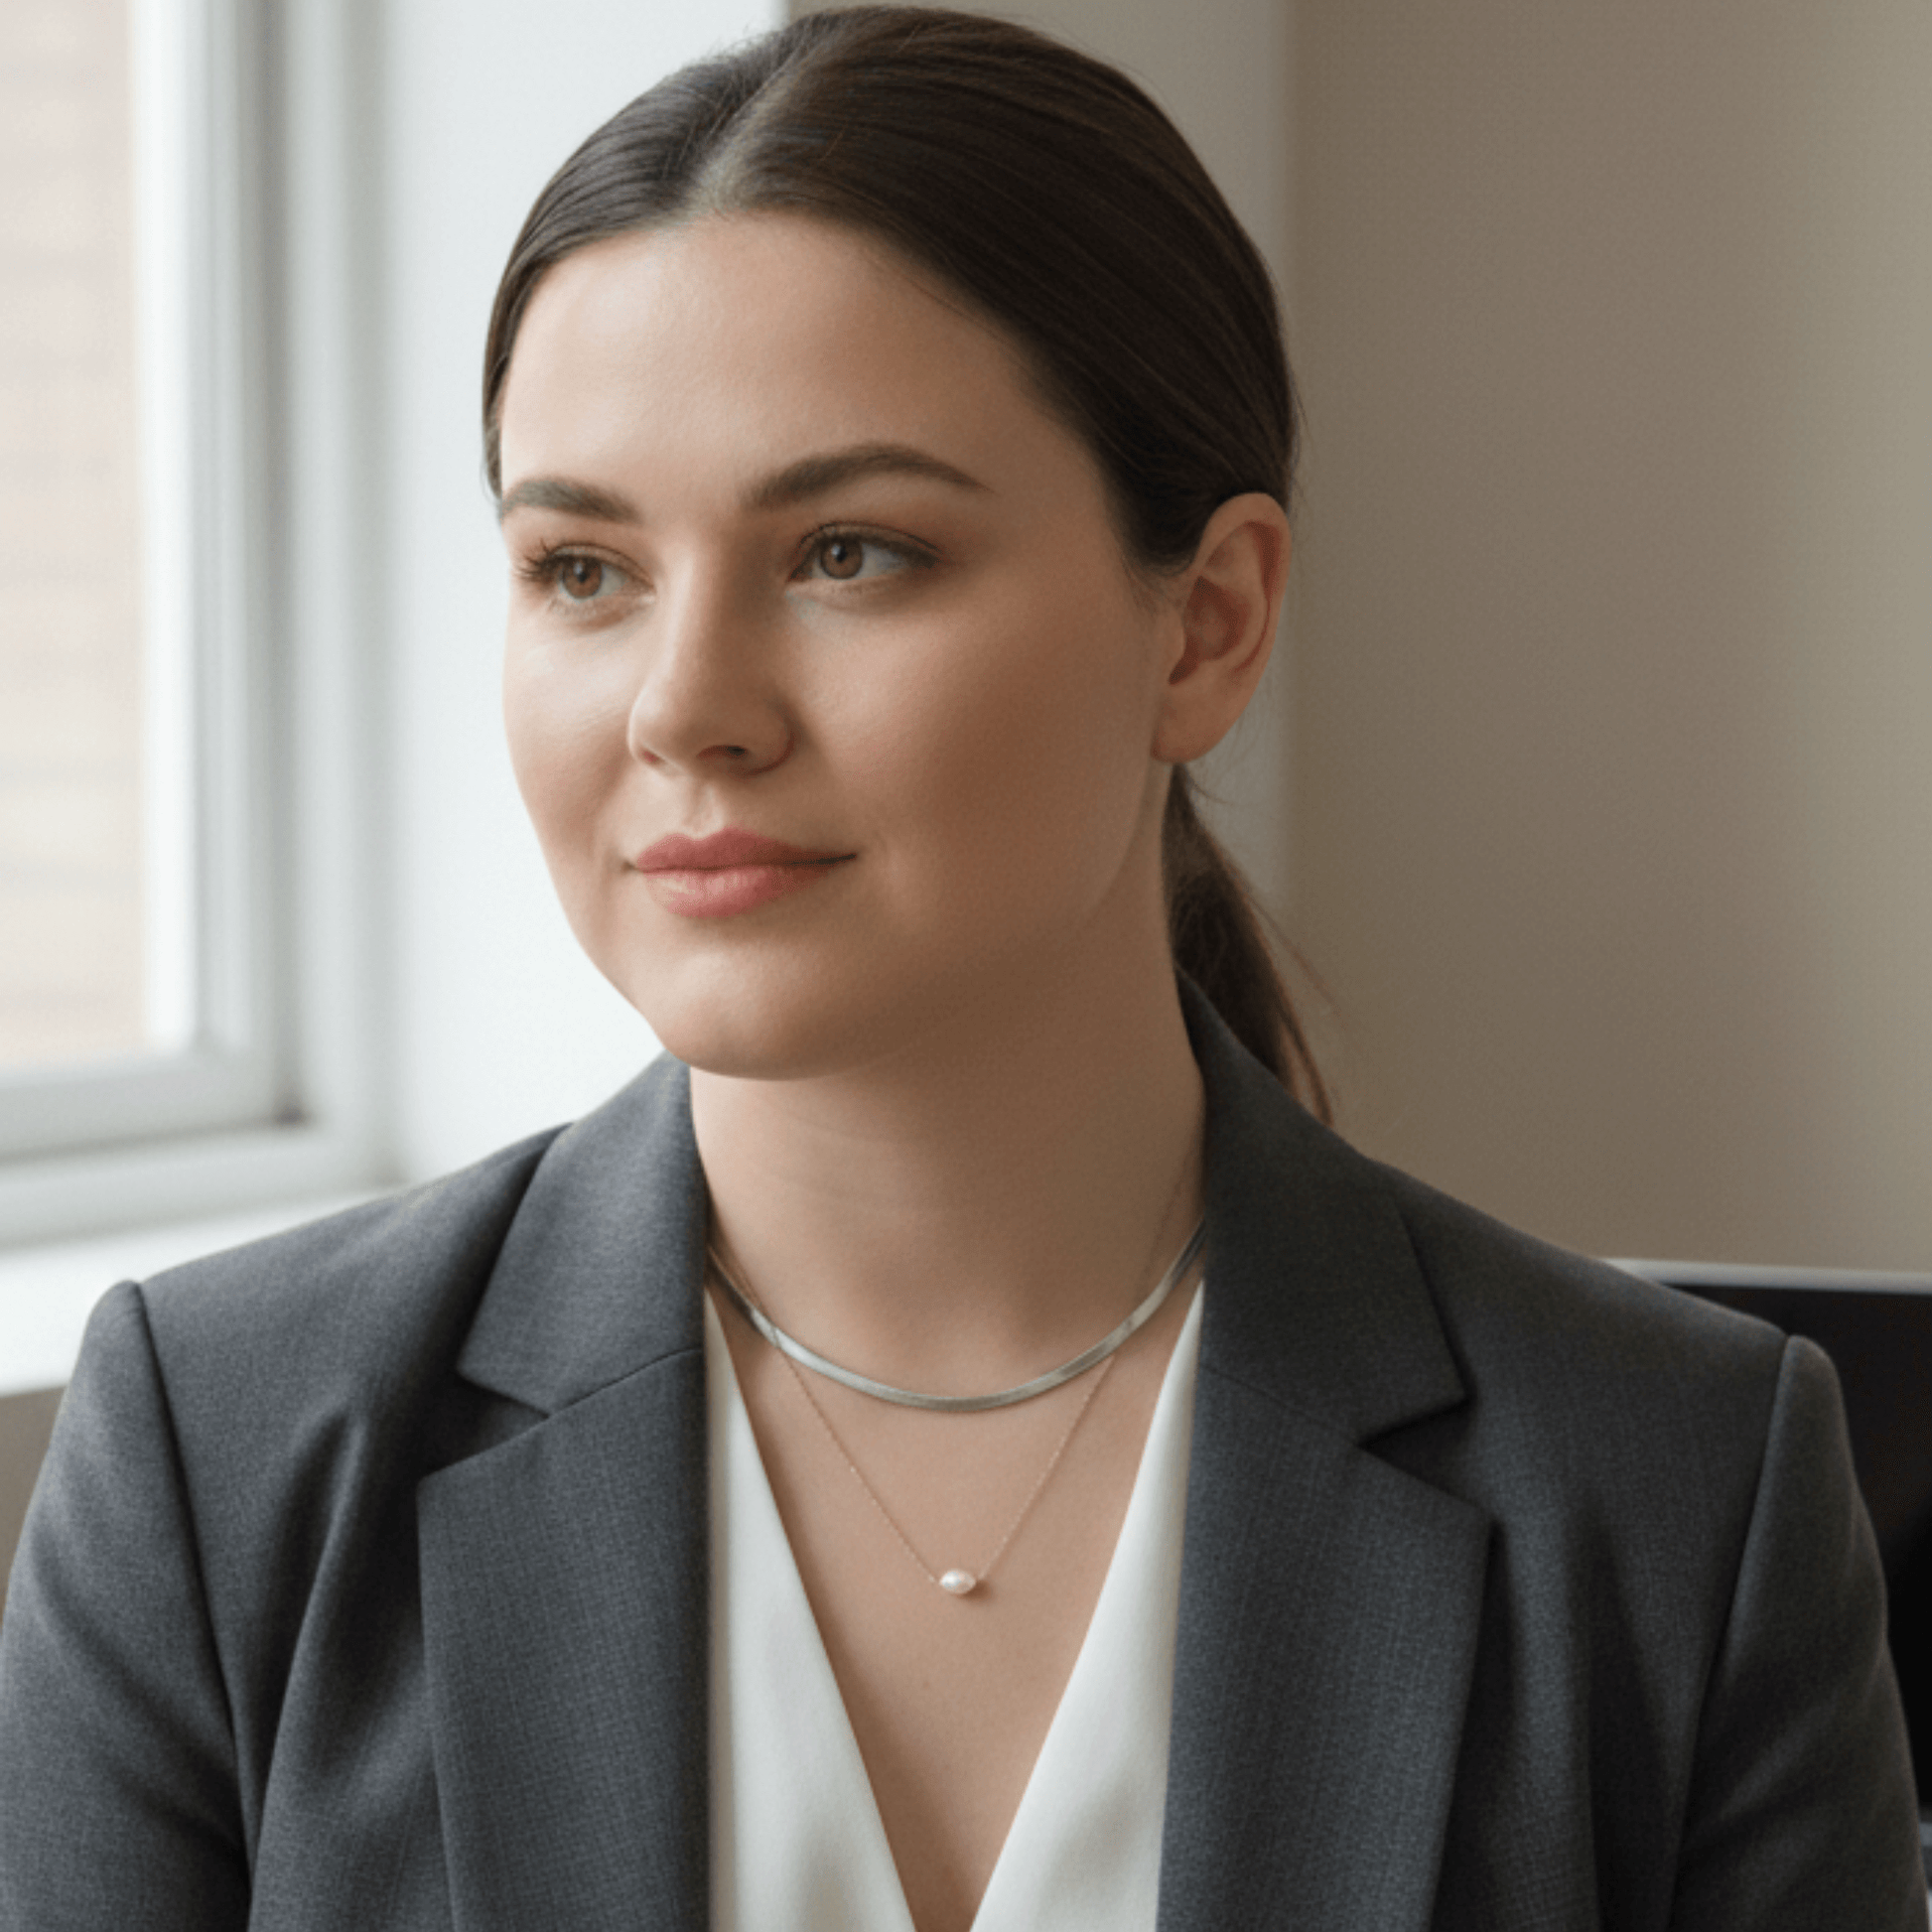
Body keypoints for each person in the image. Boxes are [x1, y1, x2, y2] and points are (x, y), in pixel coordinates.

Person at [0, 8, 1922, 1927]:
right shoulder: (220, 1458)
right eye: (583, 570)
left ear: (1208, 623)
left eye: (848, 550)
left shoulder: (1679, 1494)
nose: (686, 709)